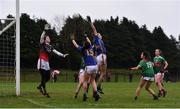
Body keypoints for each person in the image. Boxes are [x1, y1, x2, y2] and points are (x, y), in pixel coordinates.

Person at [37, 24, 68, 97]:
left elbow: (56, 52)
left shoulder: (50, 46)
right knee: (43, 77)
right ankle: (44, 92)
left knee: (47, 77)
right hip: (42, 61)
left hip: (47, 62)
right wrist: (44, 30)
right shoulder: (42, 44)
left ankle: (40, 86)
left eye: (49, 37)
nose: (48, 38)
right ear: (45, 39)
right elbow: (41, 37)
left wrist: (63, 55)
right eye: (47, 37)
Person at [71, 34, 100, 101]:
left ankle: (85, 94)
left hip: (88, 66)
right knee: (93, 80)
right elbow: (89, 42)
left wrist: (72, 39)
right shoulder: (91, 47)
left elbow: (76, 45)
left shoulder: (82, 49)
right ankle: (96, 93)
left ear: (84, 45)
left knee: (85, 80)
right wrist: (86, 36)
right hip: (95, 66)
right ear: (88, 45)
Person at [87, 16, 107, 94]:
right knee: (102, 73)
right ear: (97, 35)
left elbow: (94, 51)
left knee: (98, 74)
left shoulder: (99, 41)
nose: (100, 34)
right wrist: (90, 22)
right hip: (101, 56)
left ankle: (95, 89)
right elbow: (94, 29)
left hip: (100, 56)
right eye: (99, 34)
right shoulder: (97, 38)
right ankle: (97, 88)